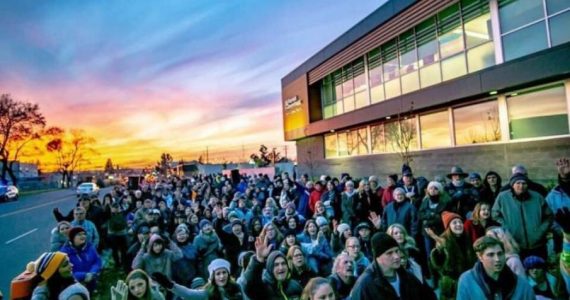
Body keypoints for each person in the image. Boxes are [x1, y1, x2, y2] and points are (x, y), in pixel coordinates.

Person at [351, 232, 435, 300]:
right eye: (389, 253)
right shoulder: (364, 285)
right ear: (377, 257)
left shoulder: (408, 277)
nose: (397, 256)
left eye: (397, 251)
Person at [492, 173, 553, 259]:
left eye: (524, 183)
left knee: (539, 269)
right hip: (515, 244)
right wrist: (506, 227)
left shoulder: (537, 197)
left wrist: (541, 231)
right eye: (518, 183)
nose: (521, 186)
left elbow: (549, 216)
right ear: (513, 185)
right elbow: (495, 214)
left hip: (538, 244)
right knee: (518, 270)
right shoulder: (503, 197)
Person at [456, 236, 535, 299]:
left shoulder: (522, 286)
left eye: (500, 254)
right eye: (491, 255)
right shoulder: (467, 281)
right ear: (480, 257)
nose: (497, 259)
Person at [427, 211, 476, 300]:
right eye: (454, 223)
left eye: (460, 222)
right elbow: (437, 264)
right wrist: (439, 250)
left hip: (468, 281)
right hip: (451, 286)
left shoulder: (467, 238)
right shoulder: (443, 240)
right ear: (449, 226)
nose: (458, 224)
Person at [152, 258, 243, 300]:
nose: (222, 276)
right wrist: (171, 285)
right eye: (218, 274)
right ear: (213, 277)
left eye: (224, 272)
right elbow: (188, 293)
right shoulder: (208, 292)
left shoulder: (237, 288)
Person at [59, 227, 102, 292]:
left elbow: (97, 261)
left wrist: (92, 272)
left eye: (84, 234)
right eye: (79, 234)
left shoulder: (90, 246)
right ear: (72, 238)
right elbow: (65, 272)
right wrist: (84, 275)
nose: (83, 236)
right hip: (76, 284)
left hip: (92, 277)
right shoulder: (64, 253)